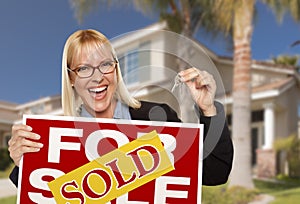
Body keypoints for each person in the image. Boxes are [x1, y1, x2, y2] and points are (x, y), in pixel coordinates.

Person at [8, 29, 233, 187]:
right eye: (84, 68)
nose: (98, 77)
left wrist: (208, 108)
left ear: (116, 70)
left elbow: (216, 171)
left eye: (105, 64)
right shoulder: (58, 138)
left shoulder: (157, 119)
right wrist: (24, 164)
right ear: (71, 79)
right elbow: (41, 193)